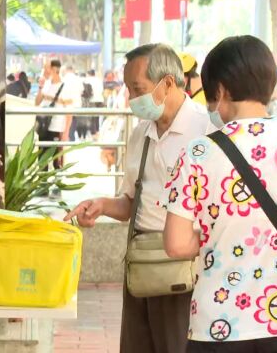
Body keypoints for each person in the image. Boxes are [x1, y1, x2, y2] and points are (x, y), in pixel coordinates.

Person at [163, 35, 277, 353]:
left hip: (216, 323)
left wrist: (219, 233)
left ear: (222, 90)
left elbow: (175, 244)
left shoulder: (198, 151)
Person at [65, 43, 215, 353]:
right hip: (142, 265)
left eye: (138, 89)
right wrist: (103, 205)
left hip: (187, 270)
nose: (132, 99)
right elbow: (132, 202)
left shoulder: (208, 130)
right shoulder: (140, 136)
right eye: (129, 90)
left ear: (168, 83)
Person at [35, 59, 68, 170]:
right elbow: (37, 102)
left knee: (55, 158)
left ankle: (56, 182)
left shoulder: (64, 85)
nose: (44, 70)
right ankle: (42, 181)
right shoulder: (46, 83)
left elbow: (68, 107)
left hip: (57, 125)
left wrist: (66, 131)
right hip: (44, 124)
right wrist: (40, 87)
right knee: (42, 155)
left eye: (46, 68)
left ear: (54, 69)